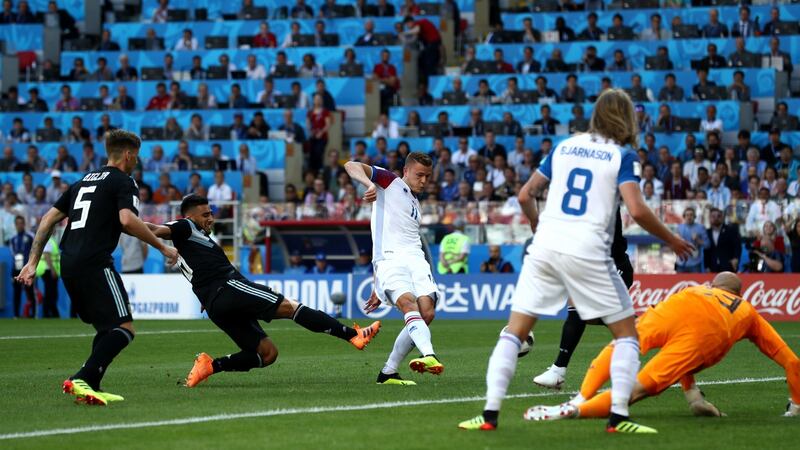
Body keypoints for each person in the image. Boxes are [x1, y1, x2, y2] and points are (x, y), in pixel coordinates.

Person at [458, 89, 692, 433]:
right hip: (587, 251)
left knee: (515, 332)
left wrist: (538, 224)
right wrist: (671, 239)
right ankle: (618, 418)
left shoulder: (563, 147)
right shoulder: (622, 156)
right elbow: (638, 209)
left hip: (545, 248)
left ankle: (489, 415)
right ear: (628, 119)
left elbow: (525, 195)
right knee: (628, 335)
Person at [15, 129, 179, 406]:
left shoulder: (81, 182)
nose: (136, 162)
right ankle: (81, 377)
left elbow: (46, 220)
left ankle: (90, 385)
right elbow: (127, 220)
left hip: (69, 263)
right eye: (136, 157)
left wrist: (32, 263)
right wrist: (162, 247)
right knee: (124, 328)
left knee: (106, 328)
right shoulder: (124, 181)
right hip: (95, 262)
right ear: (128, 155)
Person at [145, 195, 380, 387]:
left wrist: (204, 296)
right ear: (190, 216)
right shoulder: (185, 226)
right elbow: (154, 228)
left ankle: (209, 366)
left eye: (211, 213)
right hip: (229, 288)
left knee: (267, 354)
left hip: (216, 304)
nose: (211, 219)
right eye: (205, 214)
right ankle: (352, 335)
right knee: (291, 307)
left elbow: (197, 273)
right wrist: (124, 222)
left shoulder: (192, 243)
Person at [527, 273, 800, 421]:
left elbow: (679, 331)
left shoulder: (696, 289)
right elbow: (792, 362)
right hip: (705, 336)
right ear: (738, 294)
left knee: (623, 343)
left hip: (674, 308)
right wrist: (797, 405)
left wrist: (693, 395)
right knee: (635, 391)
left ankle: (580, 396)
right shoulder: (748, 311)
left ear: (712, 285)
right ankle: (577, 411)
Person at [346, 153, 444, 386]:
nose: (423, 181)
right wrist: (369, 183)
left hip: (416, 258)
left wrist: (376, 283)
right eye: (419, 175)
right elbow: (351, 165)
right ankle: (429, 355)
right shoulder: (389, 182)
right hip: (390, 260)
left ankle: (388, 372)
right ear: (406, 170)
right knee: (408, 303)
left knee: (427, 312)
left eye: (427, 177)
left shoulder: (415, 202)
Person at [533, 207, 635, 389]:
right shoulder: (585, 199)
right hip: (594, 266)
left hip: (613, 266)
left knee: (578, 307)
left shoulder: (603, 198)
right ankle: (644, 325)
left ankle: (558, 370)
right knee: (587, 314)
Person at [8, 215, 35, 318]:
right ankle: (16, 315)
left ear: (24, 224)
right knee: (17, 292)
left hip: (27, 269)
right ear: (15, 225)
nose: (19, 225)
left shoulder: (29, 237)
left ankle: (33, 314)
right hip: (16, 269)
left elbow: (33, 250)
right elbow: (12, 254)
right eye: (17, 223)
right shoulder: (13, 239)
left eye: (21, 223)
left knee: (30, 291)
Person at [35, 231, 61, 318]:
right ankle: (49, 314)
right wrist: (53, 270)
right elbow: (47, 256)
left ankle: (50, 313)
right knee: (50, 293)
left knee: (51, 293)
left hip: (48, 270)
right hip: (48, 270)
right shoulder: (48, 240)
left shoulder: (49, 240)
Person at [675, 207, 709, 273]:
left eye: (691, 215)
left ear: (694, 217)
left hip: (695, 263)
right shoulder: (679, 228)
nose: (689, 217)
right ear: (684, 217)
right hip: (681, 262)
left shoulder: (700, 228)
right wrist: (677, 239)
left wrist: (698, 240)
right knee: (679, 283)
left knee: (695, 283)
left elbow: (707, 245)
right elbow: (674, 244)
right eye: (687, 215)